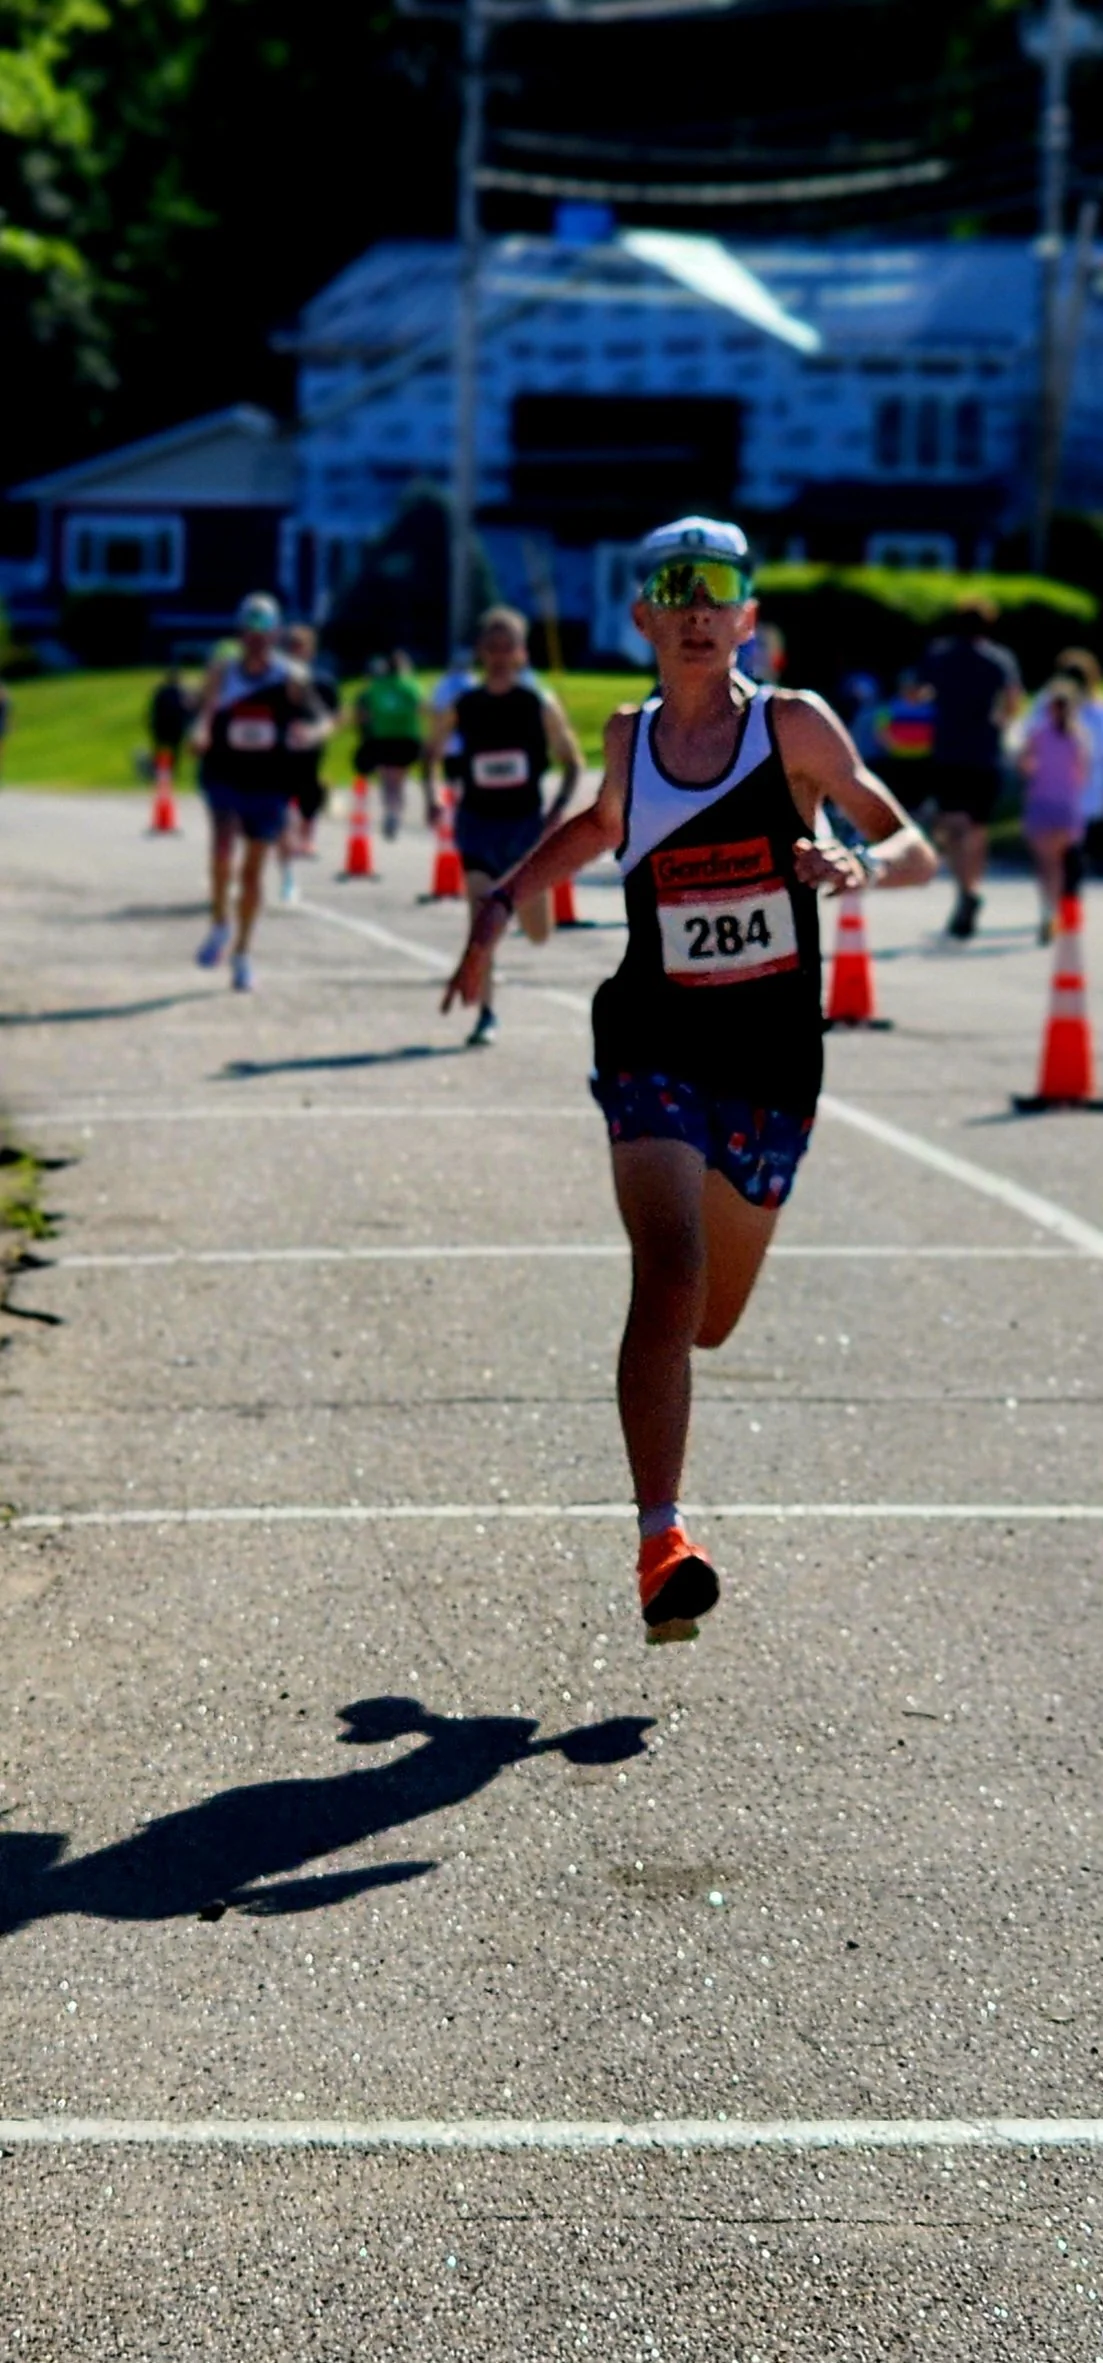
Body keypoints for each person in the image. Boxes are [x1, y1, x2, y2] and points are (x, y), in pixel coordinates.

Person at [443, 517, 936, 1644]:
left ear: (746, 614)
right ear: (645, 617)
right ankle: (660, 1538)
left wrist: (857, 863)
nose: (699, 609)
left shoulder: (793, 725)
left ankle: (664, 1494)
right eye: (677, 589)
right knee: (667, 1268)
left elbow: (898, 833)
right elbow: (598, 825)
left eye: (718, 589)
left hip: (771, 1059)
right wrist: (494, 901)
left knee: (710, 1316)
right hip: (652, 1037)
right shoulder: (627, 737)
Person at [429, 604, 583, 1048]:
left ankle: (524, 909)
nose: (498, 654)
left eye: (507, 646)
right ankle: (486, 1013)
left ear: (521, 653)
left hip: (525, 830)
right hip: (477, 823)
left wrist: (557, 811)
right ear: (480, 652)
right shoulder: (464, 705)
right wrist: (432, 797)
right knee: (481, 919)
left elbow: (572, 762)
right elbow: (431, 755)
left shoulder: (539, 704)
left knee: (538, 934)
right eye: (490, 646)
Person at [190, 592, 334, 991]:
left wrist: (311, 732)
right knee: (221, 848)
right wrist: (200, 732)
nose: (256, 639)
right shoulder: (223, 672)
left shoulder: (291, 677)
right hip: (224, 772)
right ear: (239, 633)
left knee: (253, 871)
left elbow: (324, 719)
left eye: (264, 631)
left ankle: (242, 952)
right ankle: (220, 922)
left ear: (276, 634)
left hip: (270, 780)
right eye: (249, 631)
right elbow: (203, 713)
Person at [919, 602, 1022, 940]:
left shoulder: (940, 655)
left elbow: (918, 692)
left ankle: (965, 891)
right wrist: (1001, 723)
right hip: (985, 754)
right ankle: (970, 887)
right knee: (976, 829)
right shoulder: (999, 659)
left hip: (949, 752)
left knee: (950, 826)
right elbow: (1012, 700)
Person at [1016, 679, 1090, 942]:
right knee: (1059, 863)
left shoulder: (1037, 734)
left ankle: (1047, 910)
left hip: (1041, 802)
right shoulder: (1078, 737)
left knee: (1045, 865)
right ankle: (1055, 911)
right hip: (1066, 805)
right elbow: (1082, 774)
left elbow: (1025, 766)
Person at [276, 622, 341, 902]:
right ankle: (287, 871)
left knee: (309, 799)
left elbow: (334, 718)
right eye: (291, 648)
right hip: (278, 757)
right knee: (281, 813)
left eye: (301, 648)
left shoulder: (322, 684)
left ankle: (306, 838)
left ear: (310, 651)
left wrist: (314, 733)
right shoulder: (274, 683)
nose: (296, 653)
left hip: (310, 754)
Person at [353, 652, 424, 839]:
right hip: (406, 737)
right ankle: (396, 812)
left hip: (383, 737)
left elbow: (364, 712)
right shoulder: (410, 685)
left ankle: (390, 811)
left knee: (387, 780)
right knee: (399, 780)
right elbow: (422, 707)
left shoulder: (376, 687)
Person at [1053, 648, 1103, 878]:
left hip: (1085, 796)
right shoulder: (1051, 710)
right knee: (1070, 861)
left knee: (1070, 861)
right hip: (1071, 796)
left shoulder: (1096, 713)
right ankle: (1069, 910)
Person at [148, 668, 196, 772]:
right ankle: (171, 770)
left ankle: (161, 770)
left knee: (161, 749)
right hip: (175, 726)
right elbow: (187, 709)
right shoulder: (181, 693)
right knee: (174, 750)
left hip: (161, 726)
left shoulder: (161, 692)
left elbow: (154, 710)